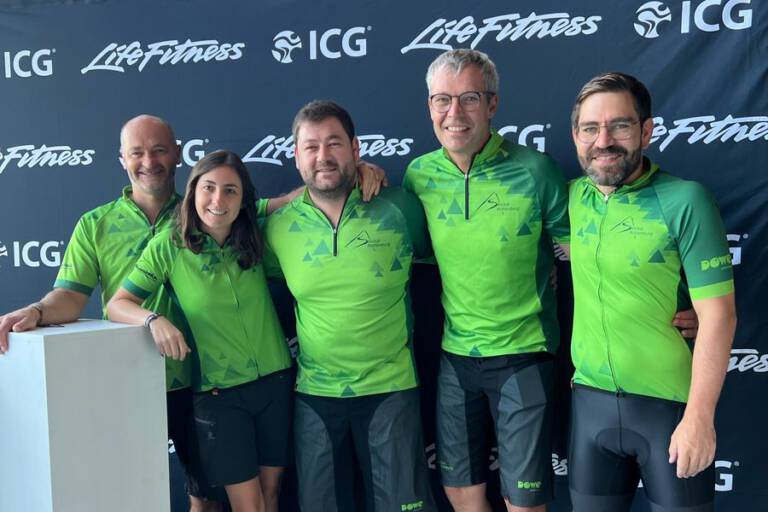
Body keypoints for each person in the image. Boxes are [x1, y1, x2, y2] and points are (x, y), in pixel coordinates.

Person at [0, 115, 223, 512]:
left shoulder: (206, 214)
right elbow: (70, 297)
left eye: (158, 150)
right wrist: (37, 311)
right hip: (126, 382)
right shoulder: (95, 224)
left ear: (177, 154)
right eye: (137, 153)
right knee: (128, 497)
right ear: (122, 159)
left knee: (206, 499)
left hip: (201, 380)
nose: (148, 161)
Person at [403, 48, 569, 512]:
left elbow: (587, 256)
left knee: (524, 501)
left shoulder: (536, 170)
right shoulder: (419, 175)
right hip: (456, 356)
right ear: (430, 106)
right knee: (461, 491)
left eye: (469, 98)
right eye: (442, 100)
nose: (454, 113)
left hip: (524, 353)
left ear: (492, 104)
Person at [566, 72, 737, 512]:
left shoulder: (686, 200)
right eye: (590, 128)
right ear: (576, 136)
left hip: (670, 412)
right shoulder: (570, 198)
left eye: (619, 126)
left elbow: (719, 315)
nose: (603, 141)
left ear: (646, 131)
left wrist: (700, 417)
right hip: (589, 407)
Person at [263, 100, 436, 512]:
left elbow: (445, 256)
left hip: (391, 388)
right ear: (296, 156)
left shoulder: (400, 209)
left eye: (334, 143)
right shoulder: (277, 228)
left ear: (355, 149)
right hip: (315, 394)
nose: (322, 156)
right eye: (311, 146)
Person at [107, 150, 294, 512]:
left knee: (271, 497)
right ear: (193, 191)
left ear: (243, 199)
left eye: (230, 190)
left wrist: (362, 170)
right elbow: (119, 303)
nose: (218, 200)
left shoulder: (255, 236)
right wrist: (153, 320)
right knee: (249, 506)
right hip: (219, 393)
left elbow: (301, 197)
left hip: (275, 382)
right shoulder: (169, 245)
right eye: (208, 188)